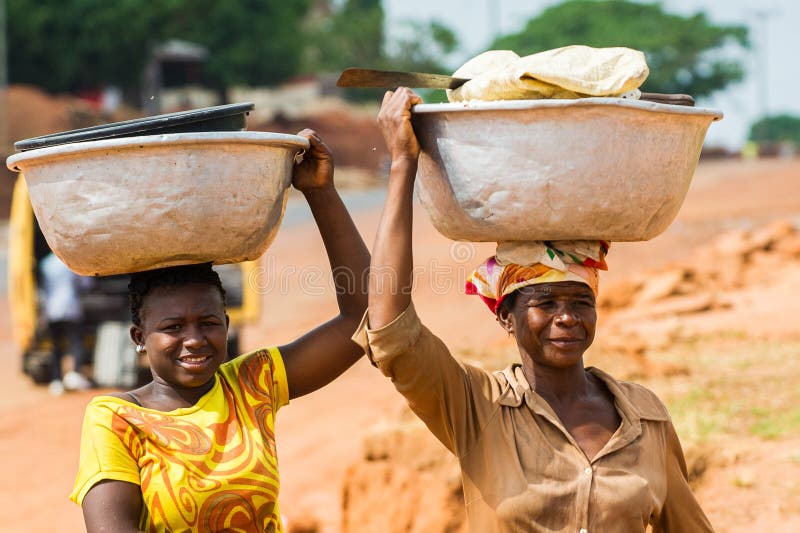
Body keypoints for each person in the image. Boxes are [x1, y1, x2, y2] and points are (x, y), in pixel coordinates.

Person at [353, 88, 713, 532]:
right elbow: (391, 330)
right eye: (545, 303)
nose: (567, 317)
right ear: (505, 315)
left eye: (581, 301)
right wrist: (403, 164)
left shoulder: (645, 417)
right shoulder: (476, 407)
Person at [70, 130, 370, 533]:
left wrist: (321, 193)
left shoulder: (250, 386)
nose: (194, 339)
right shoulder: (118, 420)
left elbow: (363, 318)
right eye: (173, 327)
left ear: (227, 325)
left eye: (208, 323)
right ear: (139, 337)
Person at [40, 251, 93, 395]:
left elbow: (43, 287)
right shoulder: (69, 262)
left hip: (52, 310)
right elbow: (86, 284)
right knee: (76, 342)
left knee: (56, 347)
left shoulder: (46, 263)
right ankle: (74, 375)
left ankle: (56, 380)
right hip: (71, 308)